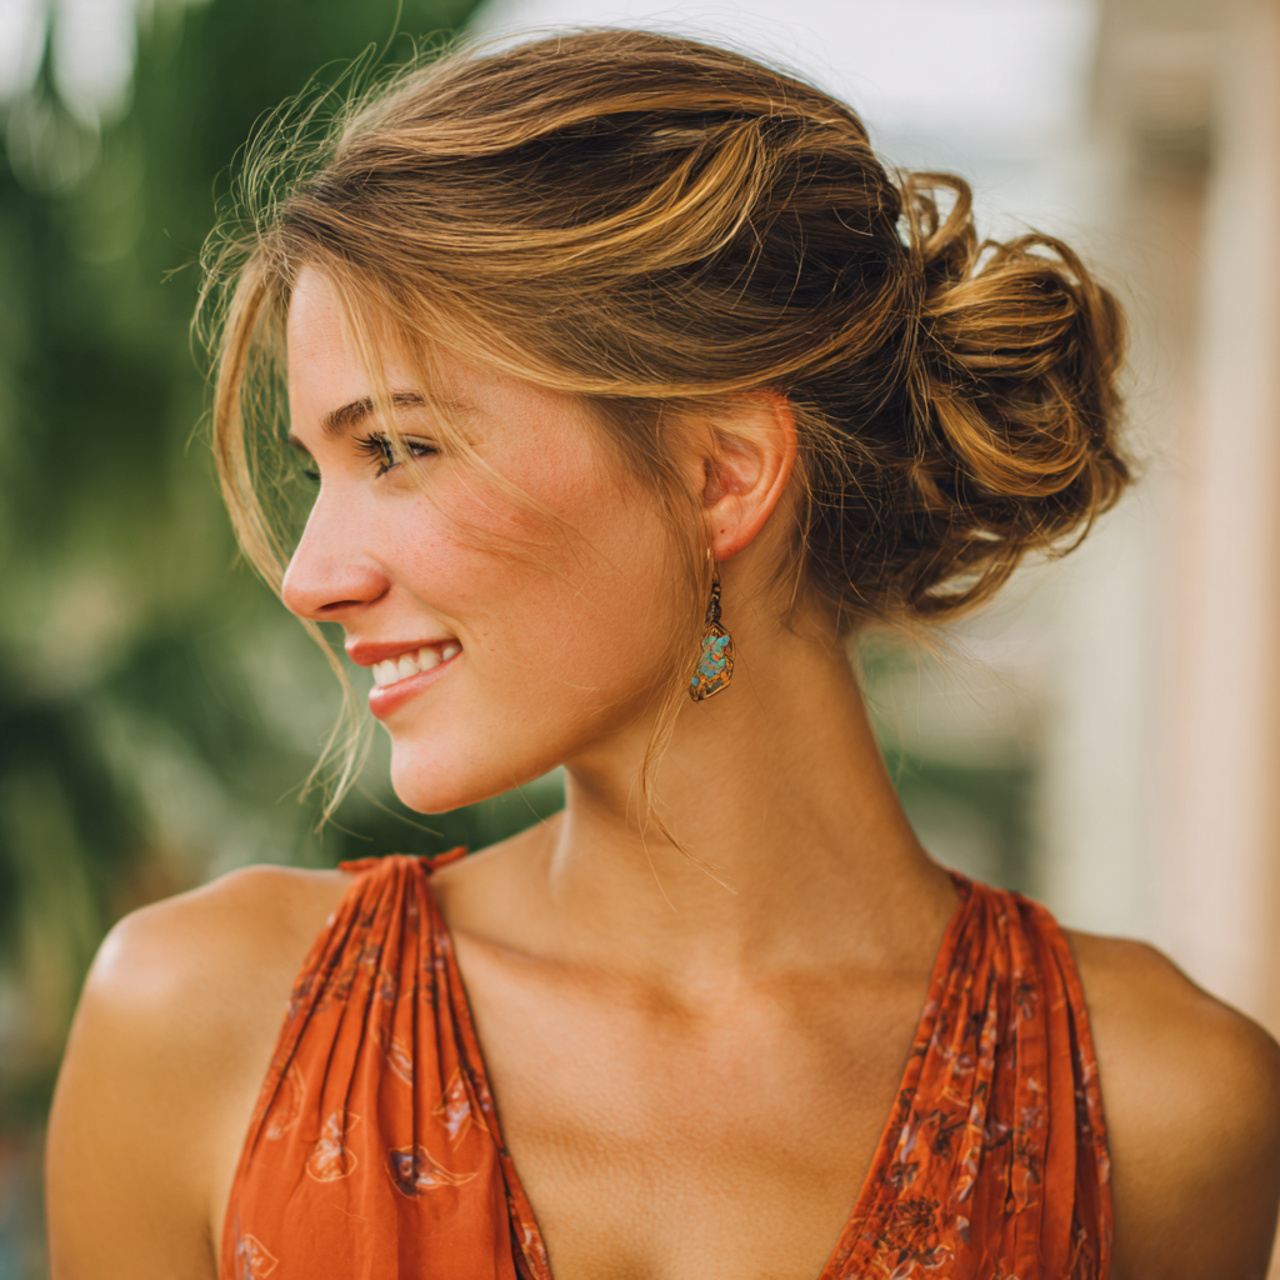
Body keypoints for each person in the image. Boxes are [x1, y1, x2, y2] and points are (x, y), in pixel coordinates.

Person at [46, 29, 1280, 1280]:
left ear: (720, 475)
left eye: (399, 450)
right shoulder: (204, 1021)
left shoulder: (1157, 1106)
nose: (311, 576)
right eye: (320, 469)